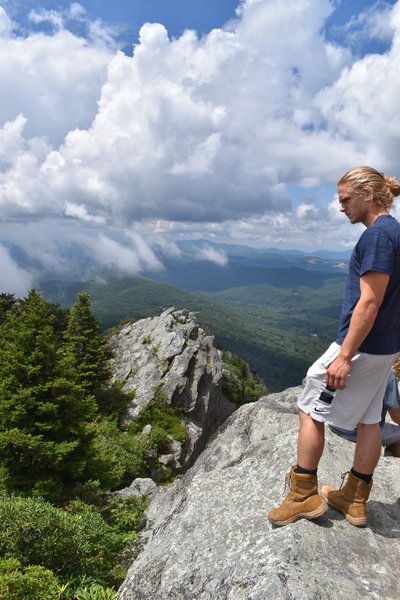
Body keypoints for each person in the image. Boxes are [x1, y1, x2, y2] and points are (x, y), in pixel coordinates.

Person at [268, 166, 400, 528]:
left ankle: (303, 495)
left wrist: (343, 356)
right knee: (370, 419)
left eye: (345, 199)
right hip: (385, 347)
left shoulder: (377, 237)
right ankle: (355, 500)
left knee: (309, 407)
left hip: (360, 346)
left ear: (368, 194)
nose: (341, 207)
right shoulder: (395, 233)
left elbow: (369, 302)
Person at [329, 369, 400, 457]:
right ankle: (392, 462)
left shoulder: (343, 367)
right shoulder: (387, 374)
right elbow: (396, 416)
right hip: (361, 431)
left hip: (334, 424)